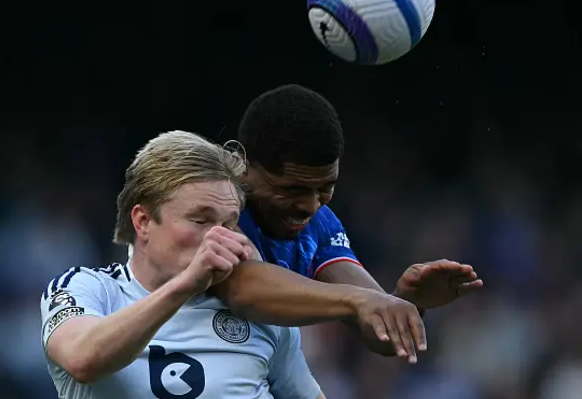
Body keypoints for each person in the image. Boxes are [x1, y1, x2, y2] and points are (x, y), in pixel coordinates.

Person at [41, 130, 335, 399]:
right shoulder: (88, 289)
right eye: (201, 220)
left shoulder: (258, 313)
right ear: (143, 221)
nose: (221, 238)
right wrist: (186, 284)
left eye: (230, 223)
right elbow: (82, 359)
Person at [207, 84, 484, 363]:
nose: (310, 206)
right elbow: (244, 289)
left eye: (325, 188)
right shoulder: (210, 203)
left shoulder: (321, 224)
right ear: (243, 168)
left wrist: (406, 303)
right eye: (292, 189)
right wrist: (358, 300)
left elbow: (380, 337)